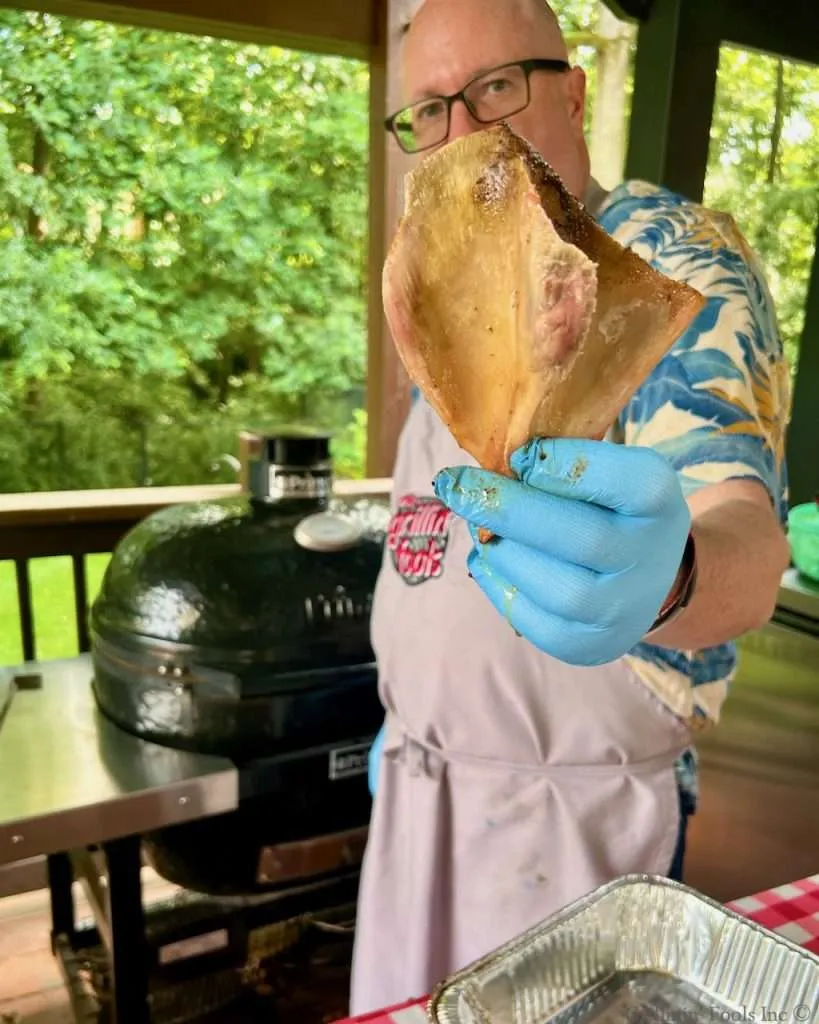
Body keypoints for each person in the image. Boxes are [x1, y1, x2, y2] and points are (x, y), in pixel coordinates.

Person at [349, 0, 792, 1014]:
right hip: (420, 798)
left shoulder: (673, 263)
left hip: (572, 826)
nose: (460, 136)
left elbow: (746, 545)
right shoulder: (454, 280)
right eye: (428, 110)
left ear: (574, 88)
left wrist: (673, 573)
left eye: (494, 89)